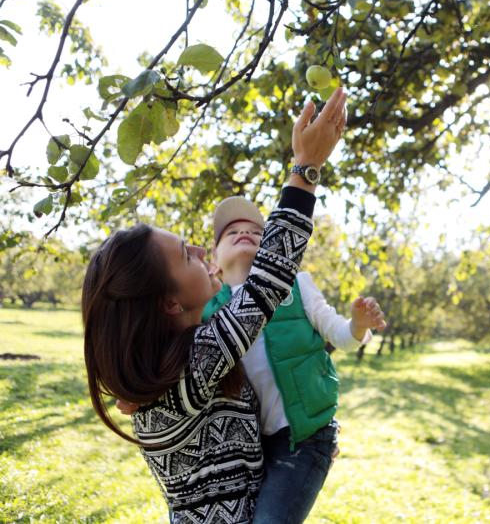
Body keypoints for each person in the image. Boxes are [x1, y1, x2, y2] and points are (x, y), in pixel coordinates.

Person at [82, 88, 347, 523]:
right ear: (169, 302)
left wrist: (309, 445)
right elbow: (268, 283)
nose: (202, 251)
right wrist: (305, 169)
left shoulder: (169, 370)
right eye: (186, 255)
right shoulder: (190, 370)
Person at [119, 197, 387, 523]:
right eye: (231, 231)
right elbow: (174, 353)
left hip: (302, 438)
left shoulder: (297, 286)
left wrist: (358, 325)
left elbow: (339, 334)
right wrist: (139, 389)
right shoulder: (207, 309)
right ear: (214, 260)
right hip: (254, 448)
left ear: (272, 253)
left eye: (257, 232)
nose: (244, 231)